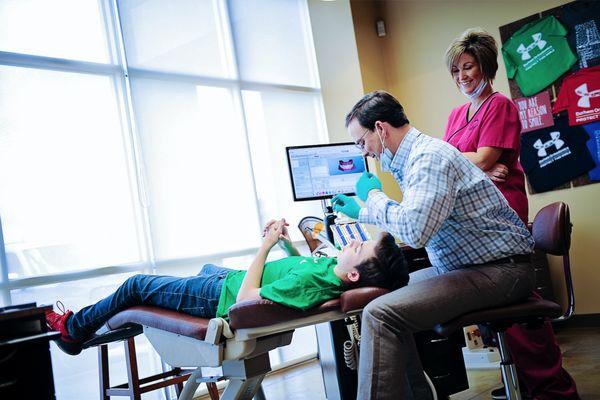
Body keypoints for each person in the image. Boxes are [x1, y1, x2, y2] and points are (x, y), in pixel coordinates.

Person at [332, 90, 535, 400]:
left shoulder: (428, 159)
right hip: (471, 268)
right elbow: (412, 218)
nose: (365, 152)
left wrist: (372, 199)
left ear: (382, 130)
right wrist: (362, 211)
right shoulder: (414, 160)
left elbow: (415, 231)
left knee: (379, 314)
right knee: (385, 299)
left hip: (499, 271)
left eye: (363, 142)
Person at [45, 218, 409, 356]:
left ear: (356, 276)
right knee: (182, 280)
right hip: (223, 279)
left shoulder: (315, 282)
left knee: (136, 285)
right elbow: (294, 268)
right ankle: (104, 328)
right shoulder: (329, 269)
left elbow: (249, 300)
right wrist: (282, 240)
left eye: (359, 247)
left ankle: (74, 330)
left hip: (219, 298)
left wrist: (264, 246)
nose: (352, 243)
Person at [444, 29, 579, 400]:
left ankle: (550, 387)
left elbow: (482, 160)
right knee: (492, 301)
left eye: (468, 67)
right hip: (472, 217)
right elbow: (450, 165)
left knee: (514, 304)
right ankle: (519, 378)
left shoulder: (500, 105)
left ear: (484, 66)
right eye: (455, 71)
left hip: (500, 216)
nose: (462, 77)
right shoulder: (457, 114)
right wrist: (479, 167)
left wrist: (479, 165)